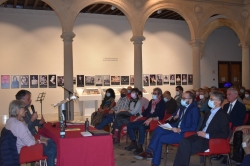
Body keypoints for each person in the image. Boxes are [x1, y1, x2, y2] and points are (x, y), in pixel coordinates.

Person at [134, 91, 200, 165]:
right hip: (176, 127)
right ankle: (149, 151)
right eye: (182, 98)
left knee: (160, 138)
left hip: (184, 133)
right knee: (158, 129)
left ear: (190, 100)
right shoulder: (183, 107)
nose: (182, 99)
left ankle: (154, 160)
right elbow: (176, 113)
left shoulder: (194, 109)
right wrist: (173, 117)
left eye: (184, 98)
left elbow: (194, 127)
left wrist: (180, 129)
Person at [173, 91, 230, 166]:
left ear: (219, 101)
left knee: (184, 148)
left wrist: (206, 135)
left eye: (211, 99)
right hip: (199, 136)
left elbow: (224, 134)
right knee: (183, 141)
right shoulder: (209, 112)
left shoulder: (223, 115)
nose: (209, 101)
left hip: (209, 140)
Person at [5, 100, 57, 166]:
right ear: (17, 111)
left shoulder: (9, 121)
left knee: (51, 146)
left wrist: (23, 121)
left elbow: (24, 133)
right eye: (24, 109)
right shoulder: (18, 124)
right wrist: (40, 141)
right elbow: (30, 142)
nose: (26, 111)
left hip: (16, 150)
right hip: (24, 151)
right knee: (52, 145)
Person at [125, 87, 165, 155]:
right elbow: (146, 112)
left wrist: (151, 119)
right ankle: (134, 142)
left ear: (159, 95)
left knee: (141, 127)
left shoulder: (162, 103)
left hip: (154, 122)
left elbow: (161, 116)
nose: (154, 95)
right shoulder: (151, 101)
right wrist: (137, 118)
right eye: (153, 93)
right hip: (147, 120)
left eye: (155, 93)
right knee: (130, 124)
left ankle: (140, 146)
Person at [212, 87, 246, 162]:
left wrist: (228, 124)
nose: (227, 96)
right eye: (227, 94)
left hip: (233, 126)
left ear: (235, 95)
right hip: (225, 126)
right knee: (214, 130)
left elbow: (240, 121)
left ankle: (227, 155)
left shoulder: (240, 106)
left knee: (227, 133)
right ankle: (219, 152)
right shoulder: (226, 106)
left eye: (229, 94)